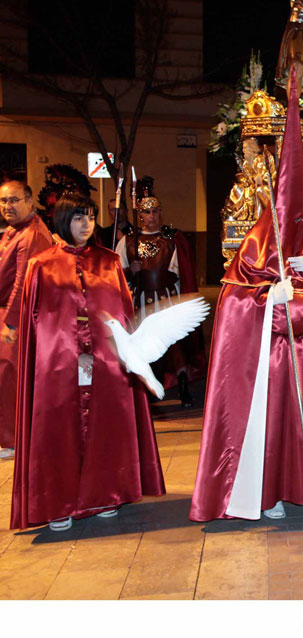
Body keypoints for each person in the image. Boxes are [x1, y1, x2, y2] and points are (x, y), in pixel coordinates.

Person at [190, 83, 303, 522]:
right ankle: (270, 493)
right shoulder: (255, 242)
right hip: (273, 356)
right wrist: (268, 297)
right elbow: (232, 303)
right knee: (276, 426)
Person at [10, 194, 165, 531]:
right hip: (58, 365)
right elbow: (37, 321)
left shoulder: (108, 262)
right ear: (63, 220)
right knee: (57, 432)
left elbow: (122, 314)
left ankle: (106, 494)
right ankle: (57, 502)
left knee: (106, 427)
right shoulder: (41, 265)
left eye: (91, 218)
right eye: (79, 218)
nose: (86, 225)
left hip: (106, 363)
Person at [116, 177, 204, 406]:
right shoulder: (128, 241)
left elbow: (180, 270)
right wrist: (129, 270)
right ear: (140, 215)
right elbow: (115, 273)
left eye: (156, 211)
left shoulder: (171, 239)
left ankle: (183, 384)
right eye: (147, 212)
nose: (152, 217)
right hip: (141, 301)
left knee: (175, 346)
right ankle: (147, 390)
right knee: (143, 346)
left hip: (166, 300)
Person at [0, 180, 54, 459]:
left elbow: (22, 282)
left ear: (30, 202)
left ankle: (11, 439)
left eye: (14, 200)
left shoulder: (31, 234)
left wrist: (10, 322)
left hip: (20, 316)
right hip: (10, 313)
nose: (8, 206)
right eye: (3, 201)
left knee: (10, 376)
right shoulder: (14, 230)